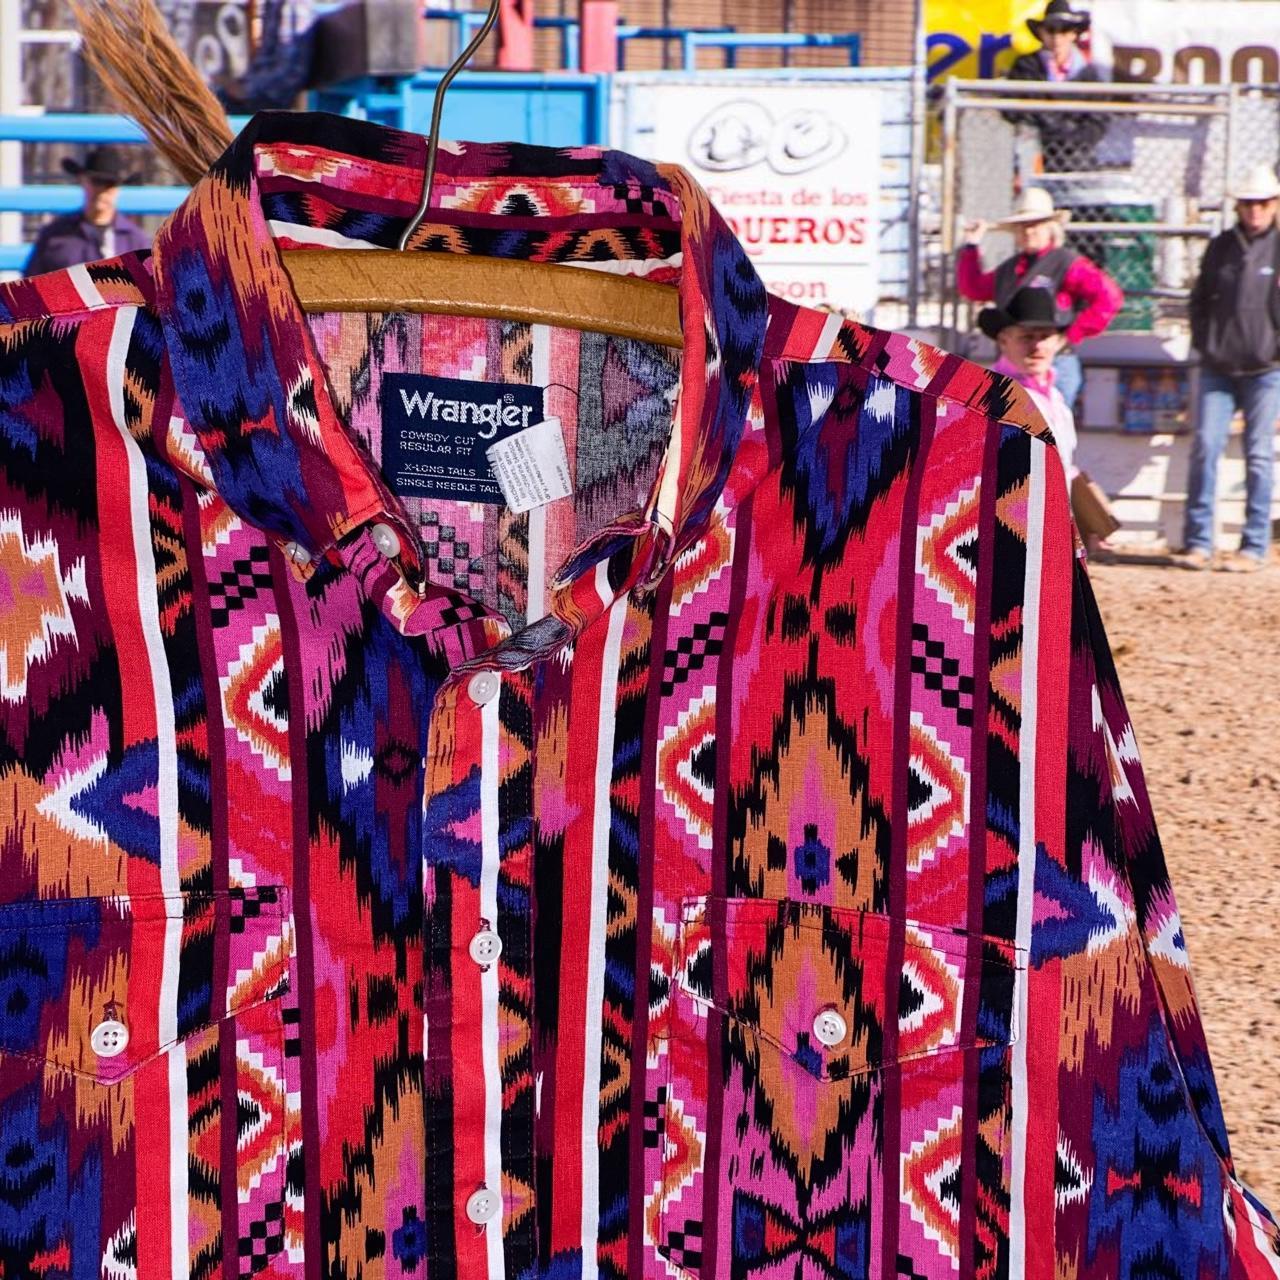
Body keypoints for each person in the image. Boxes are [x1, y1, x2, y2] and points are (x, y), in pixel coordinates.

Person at [1178, 163, 1280, 573]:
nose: (1255, 210)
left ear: (1274, 205)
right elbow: (1200, 299)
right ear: (1238, 206)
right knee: (1205, 446)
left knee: (1259, 453)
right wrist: (1206, 342)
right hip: (1218, 366)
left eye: (1262, 203)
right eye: (1249, 203)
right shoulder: (1221, 247)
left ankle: (1253, 545)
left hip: (1265, 368)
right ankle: (1198, 542)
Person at [959, 186, 1124, 411]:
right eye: (1022, 226)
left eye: (1035, 224)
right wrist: (971, 246)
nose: (1028, 231)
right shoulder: (1010, 268)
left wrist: (1069, 335)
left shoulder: (1067, 263)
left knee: (1049, 425)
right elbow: (974, 288)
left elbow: (1109, 298)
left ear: (1050, 228)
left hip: (1053, 361)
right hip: (1015, 361)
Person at [979, 286, 1079, 480]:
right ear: (1003, 341)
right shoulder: (991, 397)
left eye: (1045, 337)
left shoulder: (1055, 399)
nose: (1037, 346)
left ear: (1058, 342)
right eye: (1027, 337)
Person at [1005, 0, 1108, 173]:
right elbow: (1016, 110)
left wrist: (1071, 139)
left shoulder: (1088, 74)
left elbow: (1098, 121)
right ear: (1041, 33)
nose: (1057, 38)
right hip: (1032, 153)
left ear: (1074, 34)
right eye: (1051, 30)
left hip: (1076, 158)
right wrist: (1052, 129)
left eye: (1064, 30)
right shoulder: (1026, 67)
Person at [23, 145, 151, 277]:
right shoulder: (54, 235)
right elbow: (30, 285)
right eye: (96, 182)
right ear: (83, 181)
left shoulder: (135, 241)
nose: (101, 191)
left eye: (109, 184)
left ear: (117, 189)